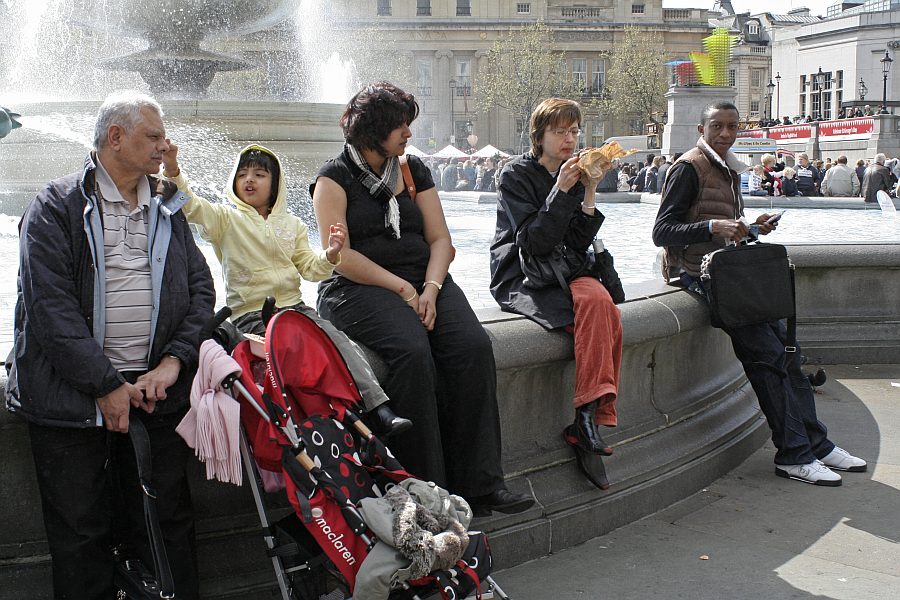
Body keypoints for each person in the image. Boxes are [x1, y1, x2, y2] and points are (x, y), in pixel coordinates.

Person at [6, 91, 216, 599]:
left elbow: (201, 293)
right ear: (115, 138)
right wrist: (104, 384)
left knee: (168, 526)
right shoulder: (55, 207)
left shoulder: (169, 206)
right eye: (153, 136)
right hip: (70, 405)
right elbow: (49, 309)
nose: (165, 147)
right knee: (81, 539)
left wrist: (173, 362)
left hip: (155, 394)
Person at [311, 81, 534, 516]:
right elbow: (340, 258)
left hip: (424, 279)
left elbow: (440, 239)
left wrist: (430, 288)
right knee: (412, 351)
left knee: (472, 347)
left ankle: (483, 484)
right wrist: (403, 289)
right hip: (359, 288)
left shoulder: (413, 170)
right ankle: (426, 492)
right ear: (373, 129)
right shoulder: (332, 178)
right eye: (399, 126)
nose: (408, 134)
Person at [652, 101, 866, 487]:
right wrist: (715, 226)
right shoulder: (688, 167)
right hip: (696, 276)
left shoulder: (726, 167)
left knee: (788, 351)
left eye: (732, 126)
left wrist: (751, 229)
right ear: (701, 130)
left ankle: (816, 444)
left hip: (728, 272)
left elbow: (721, 226)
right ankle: (793, 455)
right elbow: (662, 231)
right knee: (769, 356)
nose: (725, 133)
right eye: (716, 126)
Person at [160, 144, 410, 436]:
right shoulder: (226, 220)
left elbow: (309, 268)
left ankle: (379, 409)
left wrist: (330, 254)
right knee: (294, 359)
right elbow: (189, 205)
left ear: (275, 182)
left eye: (259, 174)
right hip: (252, 316)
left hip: (296, 310)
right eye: (242, 174)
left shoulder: (293, 225)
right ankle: (316, 429)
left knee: (341, 343)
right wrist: (173, 168)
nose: (249, 180)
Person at [490, 98, 623, 489]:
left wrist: (590, 191)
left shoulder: (578, 173)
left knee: (602, 307)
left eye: (575, 130)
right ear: (539, 136)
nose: (570, 139)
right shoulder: (516, 174)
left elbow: (578, 242)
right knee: (599, 309)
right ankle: (589, 418)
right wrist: (561, 190)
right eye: (560, 131)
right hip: (524, 275)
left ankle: (586, 417)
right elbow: (534, 242)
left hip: (562, 271)